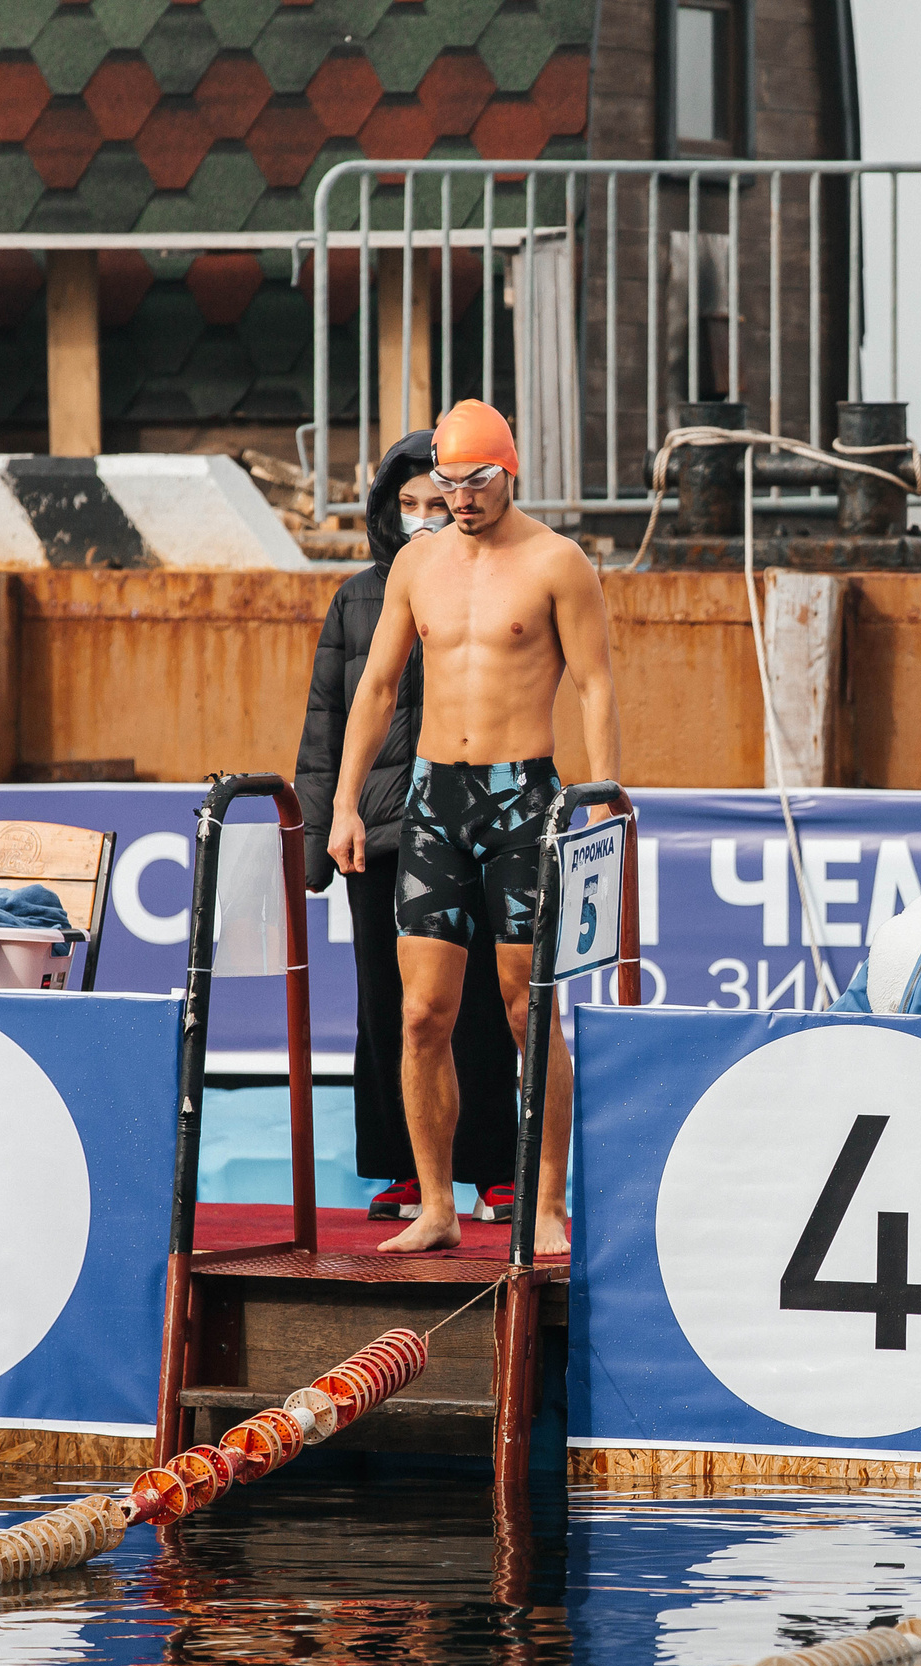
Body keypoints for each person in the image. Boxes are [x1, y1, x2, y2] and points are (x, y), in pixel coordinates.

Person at [327, 400, 623, 1257]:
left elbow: (596, 685)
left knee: (529, 1011)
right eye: (448, 482)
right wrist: (345, 802)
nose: (460, 497)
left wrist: (604, 797)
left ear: (510, 472)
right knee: (422, 1013)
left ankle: (547, 1201)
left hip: (523, 801)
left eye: (477, 481)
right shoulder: (417, 565)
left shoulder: (558, 562)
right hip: (435, 803)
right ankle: (436, 1205)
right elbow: (376, 687)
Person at [295, 429, 524, 1225]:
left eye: (439, 500)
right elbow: (326, 721)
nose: (426, 516)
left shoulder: (496, 582)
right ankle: (399, 1166)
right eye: (410, 504)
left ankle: (493, 1168)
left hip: (475, 826)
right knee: (387, 1005)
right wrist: (323, 833)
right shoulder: (358, 597)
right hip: (382, 836)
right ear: (387, 511)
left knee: (486, 1003)